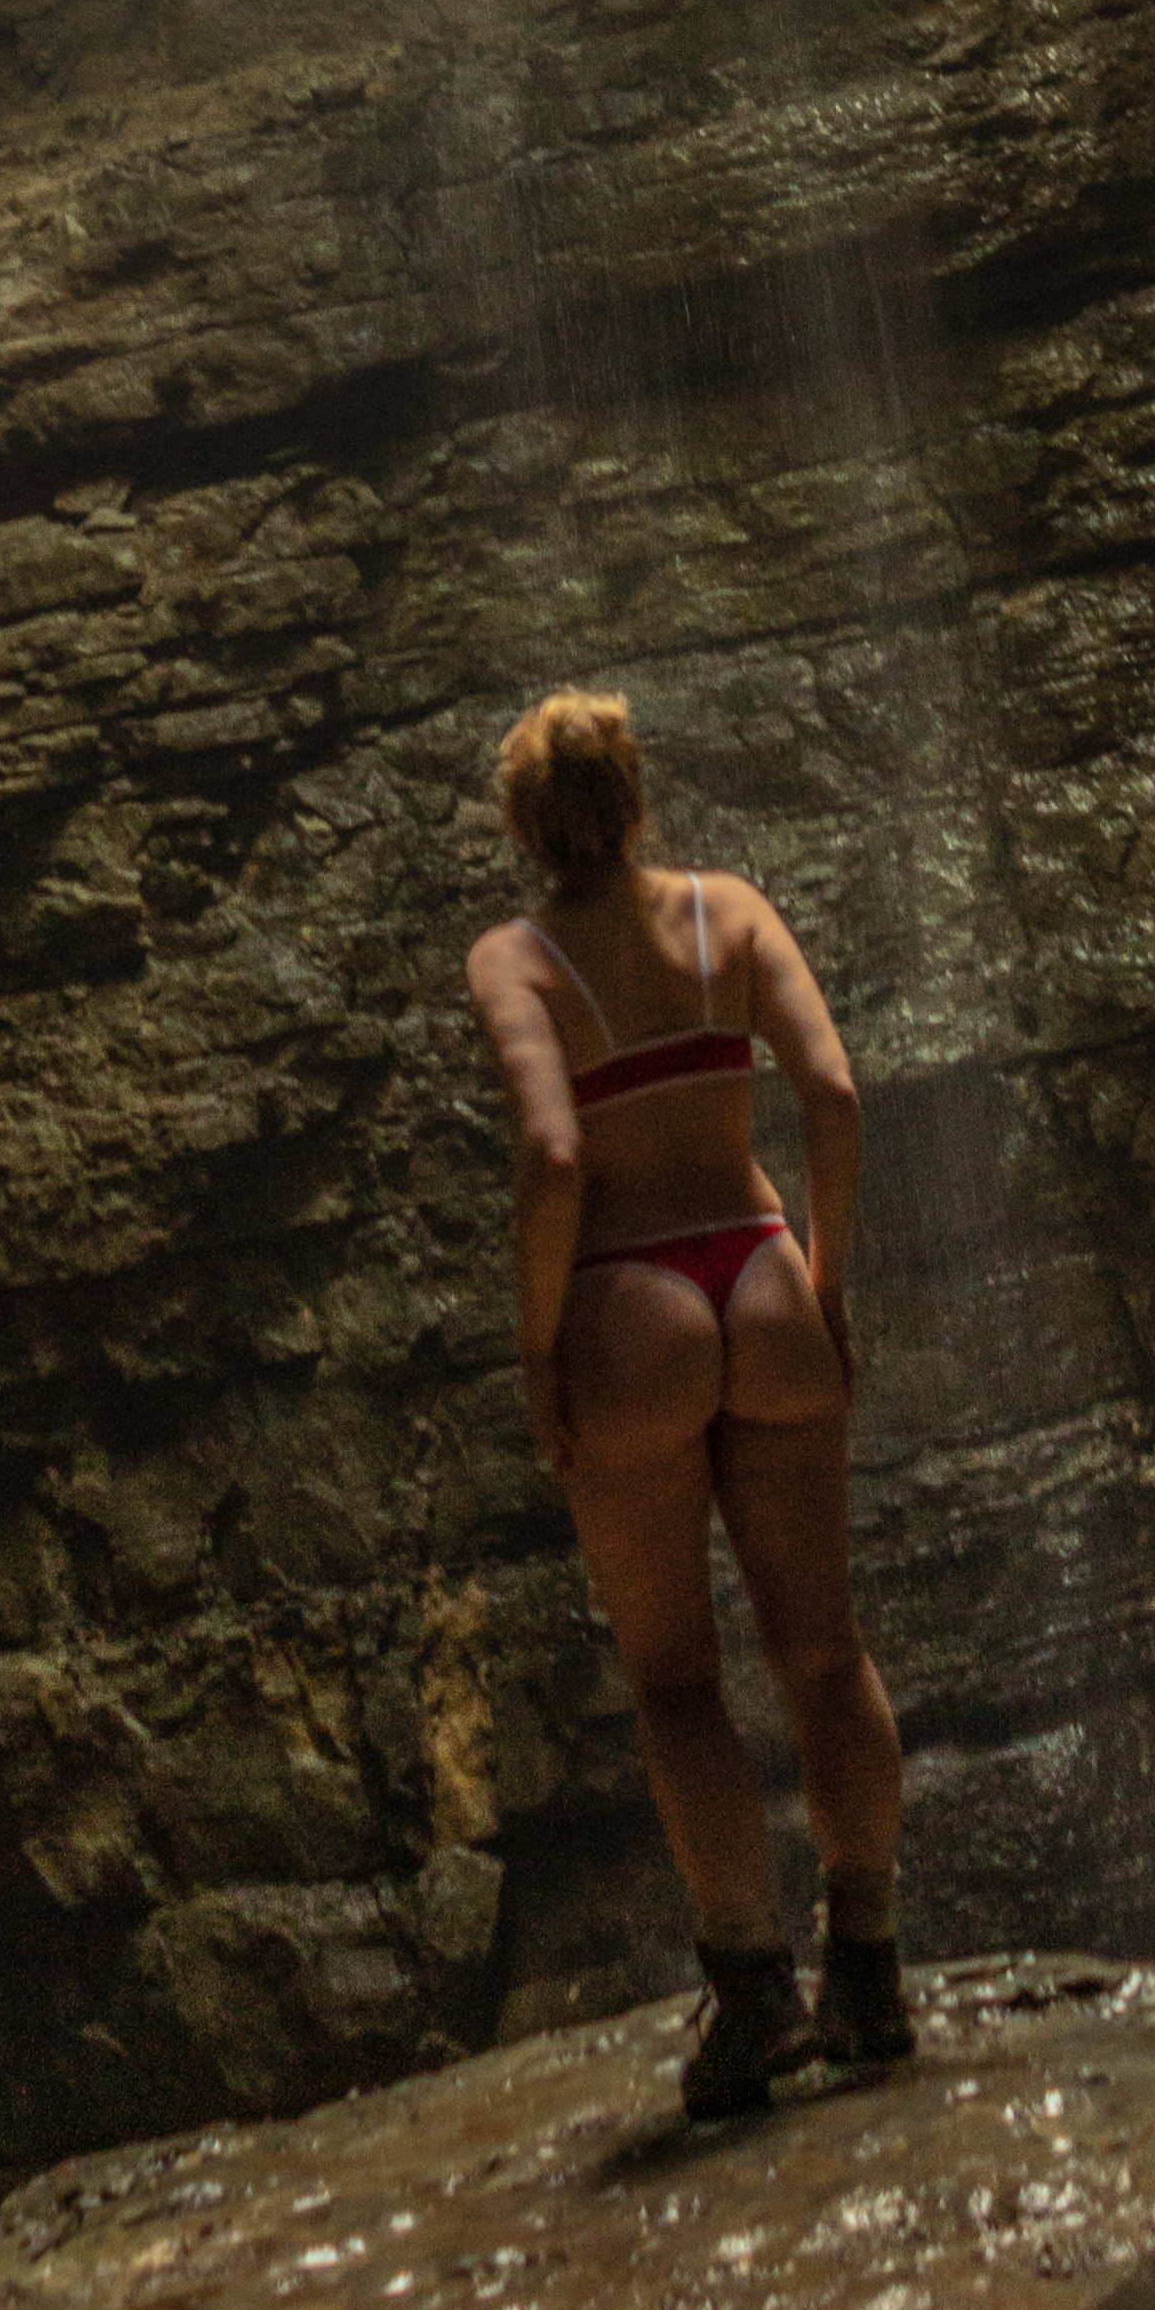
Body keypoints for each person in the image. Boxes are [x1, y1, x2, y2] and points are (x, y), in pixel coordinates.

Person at [466, 681, 912, 2117]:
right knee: (824, 1653)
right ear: (639, 792)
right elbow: (832, 1091)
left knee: (676, 1678)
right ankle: (871, 1972)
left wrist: (542, 1356)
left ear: (529, 827)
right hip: (761, 1275)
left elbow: (551, 1157)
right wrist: (828, 1277)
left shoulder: (518, 958)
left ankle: (754, 1991)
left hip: (631, 1306)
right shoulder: (733, 908)